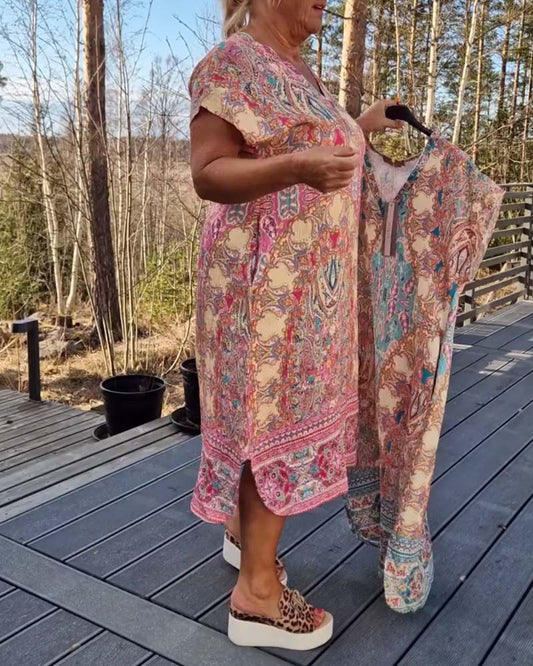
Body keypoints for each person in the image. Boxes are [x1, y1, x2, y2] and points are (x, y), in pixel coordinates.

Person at [188, 0, 403, 650]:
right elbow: (208, 172)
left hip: (305, 291)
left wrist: (360, 125)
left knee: (267, 413)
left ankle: (243, 538)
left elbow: (300, 141)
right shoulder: (234, 62)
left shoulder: (296, 68)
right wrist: (295, 168)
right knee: (268, 415)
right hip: (264, 291)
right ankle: (255, 598)